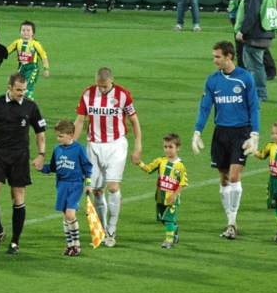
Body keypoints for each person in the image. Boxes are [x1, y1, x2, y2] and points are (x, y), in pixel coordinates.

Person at [193, 41, 261, 240]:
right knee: (223, 178)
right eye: (214, 56)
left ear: (229, 56)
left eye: (218, 56)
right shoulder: (212, 80)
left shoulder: (245, 78)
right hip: (221, 132)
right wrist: (197, 132)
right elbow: (205, 107)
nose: (214, 60)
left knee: (234, 176)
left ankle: (232, 222)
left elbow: (254, 107)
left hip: (241, 132)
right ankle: (230, 220)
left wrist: (254, 134)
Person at [0, 72, 47, 255]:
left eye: (24, 89)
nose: (22, 93)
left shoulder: (31, 107)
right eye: (18, 90)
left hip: (20, 158)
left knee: (18, 199)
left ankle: (15, 241)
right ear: (10, 88)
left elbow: (40, 133)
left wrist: (41, 154)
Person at [73, 67, 142, 247]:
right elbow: (80, 121)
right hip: (94, 145)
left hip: (116, 145)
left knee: (112, 187)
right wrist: (71, 144)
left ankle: (111, 229)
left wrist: (138, 146)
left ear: (112, 81)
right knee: (96, 190)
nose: (102, 89)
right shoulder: (88, 94)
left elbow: (134, 121)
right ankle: (102, 230)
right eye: (99, 86)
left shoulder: (123, 95)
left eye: (104, 86)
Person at [39, 119, 92, 257]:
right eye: (57, 135)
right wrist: (41, 168)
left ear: (71, 135)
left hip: (75, 184)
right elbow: (53, 167)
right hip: (62, 184)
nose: (58, 138)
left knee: (70, 214)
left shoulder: (79, 148)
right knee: (65, 217)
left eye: (61, 136)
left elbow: (87, 166)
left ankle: (76, 244)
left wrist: (88, 184)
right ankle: (69, 246)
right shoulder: (57, 149)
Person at [235, 0, 277, 103]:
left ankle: (260, 95)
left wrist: (242, 30)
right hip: (266, 31)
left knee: (255, 66)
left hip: (256, 34)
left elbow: (252, 12)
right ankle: (253, 93)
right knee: (255, 65)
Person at [137, 133, 187, 249]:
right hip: (160, 197)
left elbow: (183, 182)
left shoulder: (180, 166)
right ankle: (174, 229)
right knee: (162, 219)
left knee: (168, 219)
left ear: (177, 148)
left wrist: (175, 195)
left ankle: (169, 241)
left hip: (172, 199)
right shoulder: (160, 161)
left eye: (170, 147)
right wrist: (139, 163)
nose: (167, 150)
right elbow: (148, 168)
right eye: (165, 147)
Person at [253, 121, 277, 241]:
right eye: (272, 133)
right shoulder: (270, 146)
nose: (274, 136)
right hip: (273, 181)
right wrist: (251, 151)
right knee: (276, 206)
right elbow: (261, 155)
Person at [6, 20, 50, 101]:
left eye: (28, 30)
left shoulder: (35, 44)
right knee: (19, 87)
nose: (25, 32)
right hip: (21, 68)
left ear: (33, 32)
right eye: (23, 30)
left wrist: (46, 68)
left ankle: (29, 107)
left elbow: (43, 56)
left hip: (32, 68)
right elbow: (7, 51)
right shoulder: (17, 42)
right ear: (20, 31)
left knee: (26, 89)